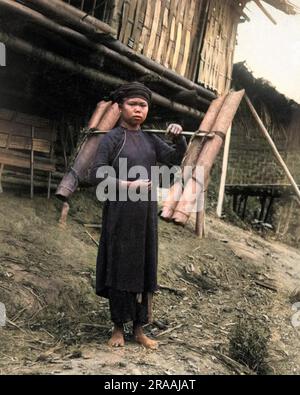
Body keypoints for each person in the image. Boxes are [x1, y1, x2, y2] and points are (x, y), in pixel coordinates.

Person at [89, 82, 187, 349]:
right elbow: (97, 173)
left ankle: (139, 330)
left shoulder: (150, 140)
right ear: (121, 107)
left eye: (142, 105)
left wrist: (179, 138)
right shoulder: (112, 138)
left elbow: (175, 159)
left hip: (145, 218)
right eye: (132, 104)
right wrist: (127, 185)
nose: (138, 109)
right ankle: (118, 328)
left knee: (143, 269)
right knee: (120, 269)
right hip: (120, 215)